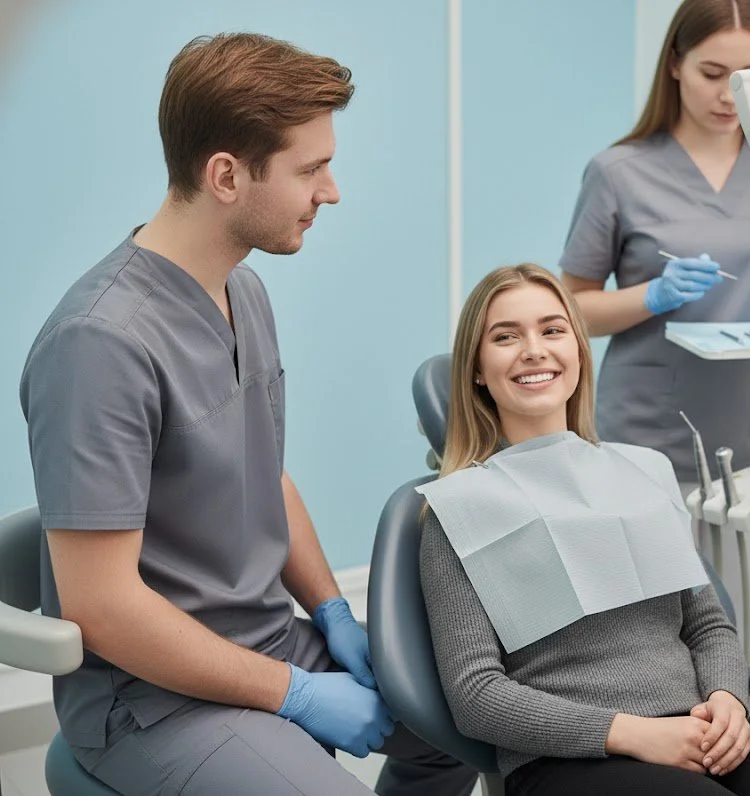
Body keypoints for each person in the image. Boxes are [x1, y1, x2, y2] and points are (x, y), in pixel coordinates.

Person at [20, 32, 476, 796]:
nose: (330, 191)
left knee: (465, 729)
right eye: (311, 169)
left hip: (267, 638)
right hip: (152, 699)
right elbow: (101, 608)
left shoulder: (243, 291)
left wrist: (333, 612)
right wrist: (294, 693)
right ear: (226, 175)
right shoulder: (97, 344)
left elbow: (267, 474)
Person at [418, 263, 750, 796]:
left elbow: (707, 624)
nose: (534, 349)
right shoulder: (458, 510)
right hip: (566, 759)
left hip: (698, 724)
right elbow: (477, 695)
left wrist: (728, 699)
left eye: (552, 329)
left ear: (579, 353)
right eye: (505, 336)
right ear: (476, 369)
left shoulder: (642, 473)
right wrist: (630, 734)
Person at [556, 0, 750, 651]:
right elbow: (571, 308)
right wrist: (651, 295)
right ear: (676, 65)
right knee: (641, 637)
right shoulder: (618, 172)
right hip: (649, 433)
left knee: (738, 633)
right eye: (714, 72)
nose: (731, 92)